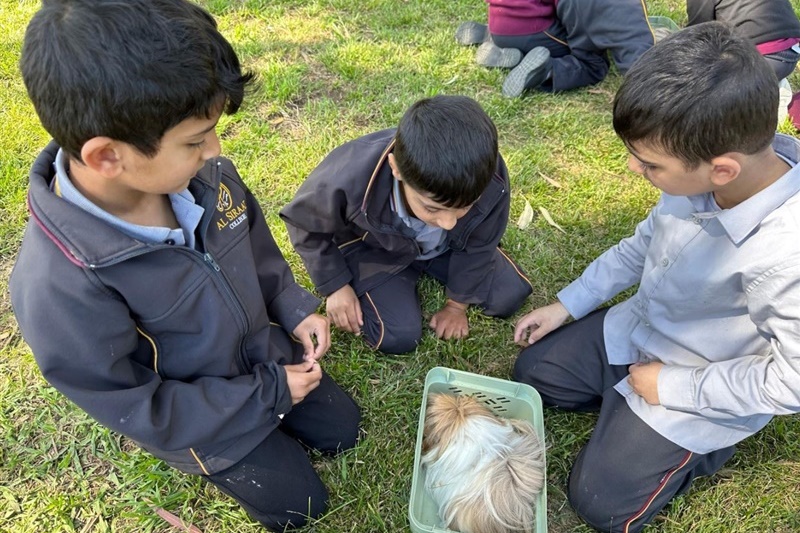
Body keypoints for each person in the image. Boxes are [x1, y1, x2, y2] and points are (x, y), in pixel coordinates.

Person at [10, 1, 360, 530]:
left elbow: (256, 247)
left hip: (265, 358)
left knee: (345, 429)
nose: (215, 150)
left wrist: (293, 308)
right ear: (107, 157)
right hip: (202, 421)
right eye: (196, 140)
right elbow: (139, 408)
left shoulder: (206, 177)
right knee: (299, 506)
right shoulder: (59, 286)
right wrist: (267, 394)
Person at [513, 22, 800, 532]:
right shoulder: (704, 168)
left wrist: (675, 387)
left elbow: (791, 382)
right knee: (533, 376)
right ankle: (624, 406)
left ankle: (688, 446)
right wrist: (568, 304)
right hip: (642, 328)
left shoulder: (786, 257)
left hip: (704, 374)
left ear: (723, 170)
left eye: (648, 164)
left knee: (601, 504)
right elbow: (642, 245)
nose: (631, 169)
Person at [280, 95, 532, 355]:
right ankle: (393, 277)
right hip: (374, 250)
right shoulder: (345, 178)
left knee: (509, 295)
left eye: (465, 207)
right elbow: (303, 225)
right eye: (433, 208)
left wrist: (457, 305)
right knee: (397, 336)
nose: (449, 222)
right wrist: (335, 285)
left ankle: (432, 258)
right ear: (395, 168)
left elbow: (480, 242)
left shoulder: (487, 172)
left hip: (446, 249)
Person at [454, 0, 655, 97]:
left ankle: (491, 37)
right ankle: (547, 71)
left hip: (502, 17)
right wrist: (651, 82)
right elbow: (632, 42)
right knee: (594, 63)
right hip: (532, 28)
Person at [687, 0, 800, 124]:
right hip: (790, 51)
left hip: (764, 58)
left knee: (709, 86)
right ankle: (772, 86)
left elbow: (698, 33)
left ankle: (763, 98)